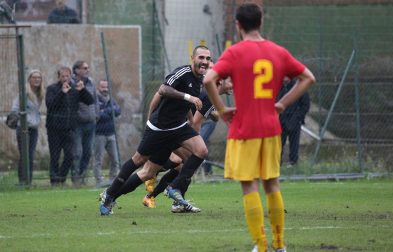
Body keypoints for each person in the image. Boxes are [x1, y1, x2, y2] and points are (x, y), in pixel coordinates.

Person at [203, 3, 316, 252]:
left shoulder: (234, 53)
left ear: (238, 25)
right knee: (272, 184)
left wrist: (221, 109)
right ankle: (279, 244)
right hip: (271, 127)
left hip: (244, 129)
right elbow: (308, 77)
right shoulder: (278, 51)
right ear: (261, 22)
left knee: (249, 185)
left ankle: (262, 245)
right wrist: (282, 104)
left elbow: (209, 79)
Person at [99, 45, 211, 216]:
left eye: (207, 59)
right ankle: (110, 194)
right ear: (193, 59)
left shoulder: (201, 80)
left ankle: (174, 189)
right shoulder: (183, 73)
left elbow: (186, 104)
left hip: (178, 128)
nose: (204, 62)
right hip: (159, 128)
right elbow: (163, 90)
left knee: (201, 151)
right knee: (140, 163)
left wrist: (189, 117)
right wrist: (152, 118)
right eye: (201, 58)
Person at [141, 77, 233, 212]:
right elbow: (195, 122)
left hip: (174, 129)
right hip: (176, 131)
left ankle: (154, 194)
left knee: (181, 166)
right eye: (231, 82)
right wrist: (195, 143)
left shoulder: (210, 96)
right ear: (221, 82)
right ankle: (157, 181)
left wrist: (215, 114)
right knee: (189, 161)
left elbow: (201, 111)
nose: (233, 85)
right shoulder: (208, 95)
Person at [46, 66, 94, 186]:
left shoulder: (74, 89)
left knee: (70, 155)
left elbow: (90, 101)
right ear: (58, 77)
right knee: (55, 156)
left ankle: (61, 178)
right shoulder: (52, 89)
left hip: (69, 129)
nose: (65, 78)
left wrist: (83, 90)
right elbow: (51, 105)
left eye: (67, 76)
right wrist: (62, 93)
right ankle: (54, 181)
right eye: (63, 76)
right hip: (54, 129)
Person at [11, 69, 45, 186]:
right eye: (34, 77)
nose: (37, 79)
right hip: (24, 128)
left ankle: (28, 181)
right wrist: (23, 117)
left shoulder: (39, 94)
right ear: (29, 79)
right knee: (25, 155)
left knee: (30, 155)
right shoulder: (24, 94)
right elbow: (15, 109)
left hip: (34, 128)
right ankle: (22, 180)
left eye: (39, 78)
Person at [72, 60, 98, 185]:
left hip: (91, 122)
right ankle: (75, 177)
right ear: (77, 70)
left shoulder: (91, 82)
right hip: (78, 123)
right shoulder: (72, 83)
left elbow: (95, 100)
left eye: (87, 68)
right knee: (77, 152)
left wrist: (96, 115)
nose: (87, 70)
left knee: (88, 152)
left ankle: (82, 176)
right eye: (84, 68)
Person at [93, 80, 121, 187]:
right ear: (98, 88)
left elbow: (118, 111)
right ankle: (99, 181)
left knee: (115, 159)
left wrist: (106, 111)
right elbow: (99, 115)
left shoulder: (111, 99)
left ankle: (113, 180)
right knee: (98, 159)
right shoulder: (95, 100)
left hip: (111, 134)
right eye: (103, 87)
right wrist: (110, 112)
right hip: (99, 134)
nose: (105, 89)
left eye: (107, 87)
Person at [278, 78, 310, 166]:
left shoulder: (299, 88)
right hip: (281, 120)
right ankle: (277, 164)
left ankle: (293, 164)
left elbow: (305, 105)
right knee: (279, 144)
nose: (284, 78)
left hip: (295, 120)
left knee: (294, 144)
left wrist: (297, 118)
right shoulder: (278, 87)